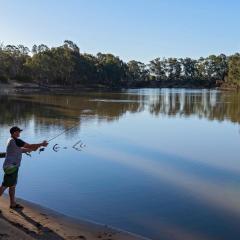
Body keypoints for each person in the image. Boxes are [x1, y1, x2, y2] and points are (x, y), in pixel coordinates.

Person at [0, 126, 48, 209]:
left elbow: (21, 149)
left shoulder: (11, 140)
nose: (19, 133)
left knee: (12, 185)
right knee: (4, 186)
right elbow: (29, 145)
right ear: (14, 132)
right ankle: (12, 203)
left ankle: (13, 204)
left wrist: (32, 149)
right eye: (18, 131)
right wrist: (41, 144)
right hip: (11, 167)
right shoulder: (16, 140)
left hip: (12, 167)